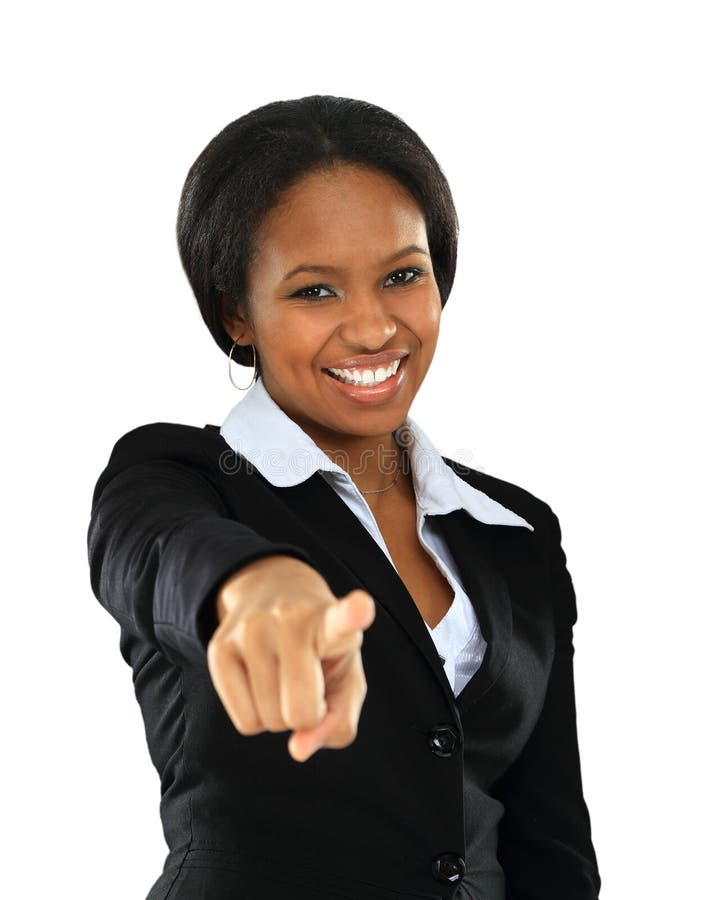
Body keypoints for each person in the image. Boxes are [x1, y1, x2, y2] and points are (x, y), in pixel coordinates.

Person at [87, 95, 601, 900]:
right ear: (237, 313)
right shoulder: (176, 478)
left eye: (402, 276)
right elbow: (156, 553)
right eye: (315, 292)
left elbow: (550, 837)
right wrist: (254, 588)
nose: (370, 329)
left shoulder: (515, 529)